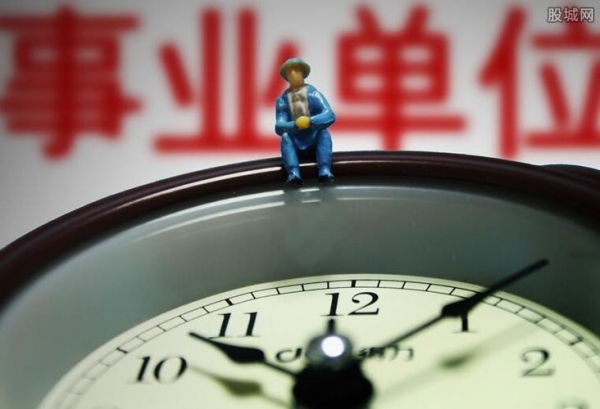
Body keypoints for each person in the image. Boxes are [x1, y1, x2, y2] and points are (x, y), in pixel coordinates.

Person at [275, 57, 336, 184]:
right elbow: (279, 126)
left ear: (303, 72)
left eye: (296, 70)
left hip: (313, 135)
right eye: (289, 71)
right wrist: (295, 125)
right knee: (286, 137)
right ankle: (293, 173)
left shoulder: (313, 94)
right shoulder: (282, 100)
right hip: (296, 139)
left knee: (323, 132)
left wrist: (311, 121)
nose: (293, 73)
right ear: (286, 76)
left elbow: (329, 114)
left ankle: (324, 170)